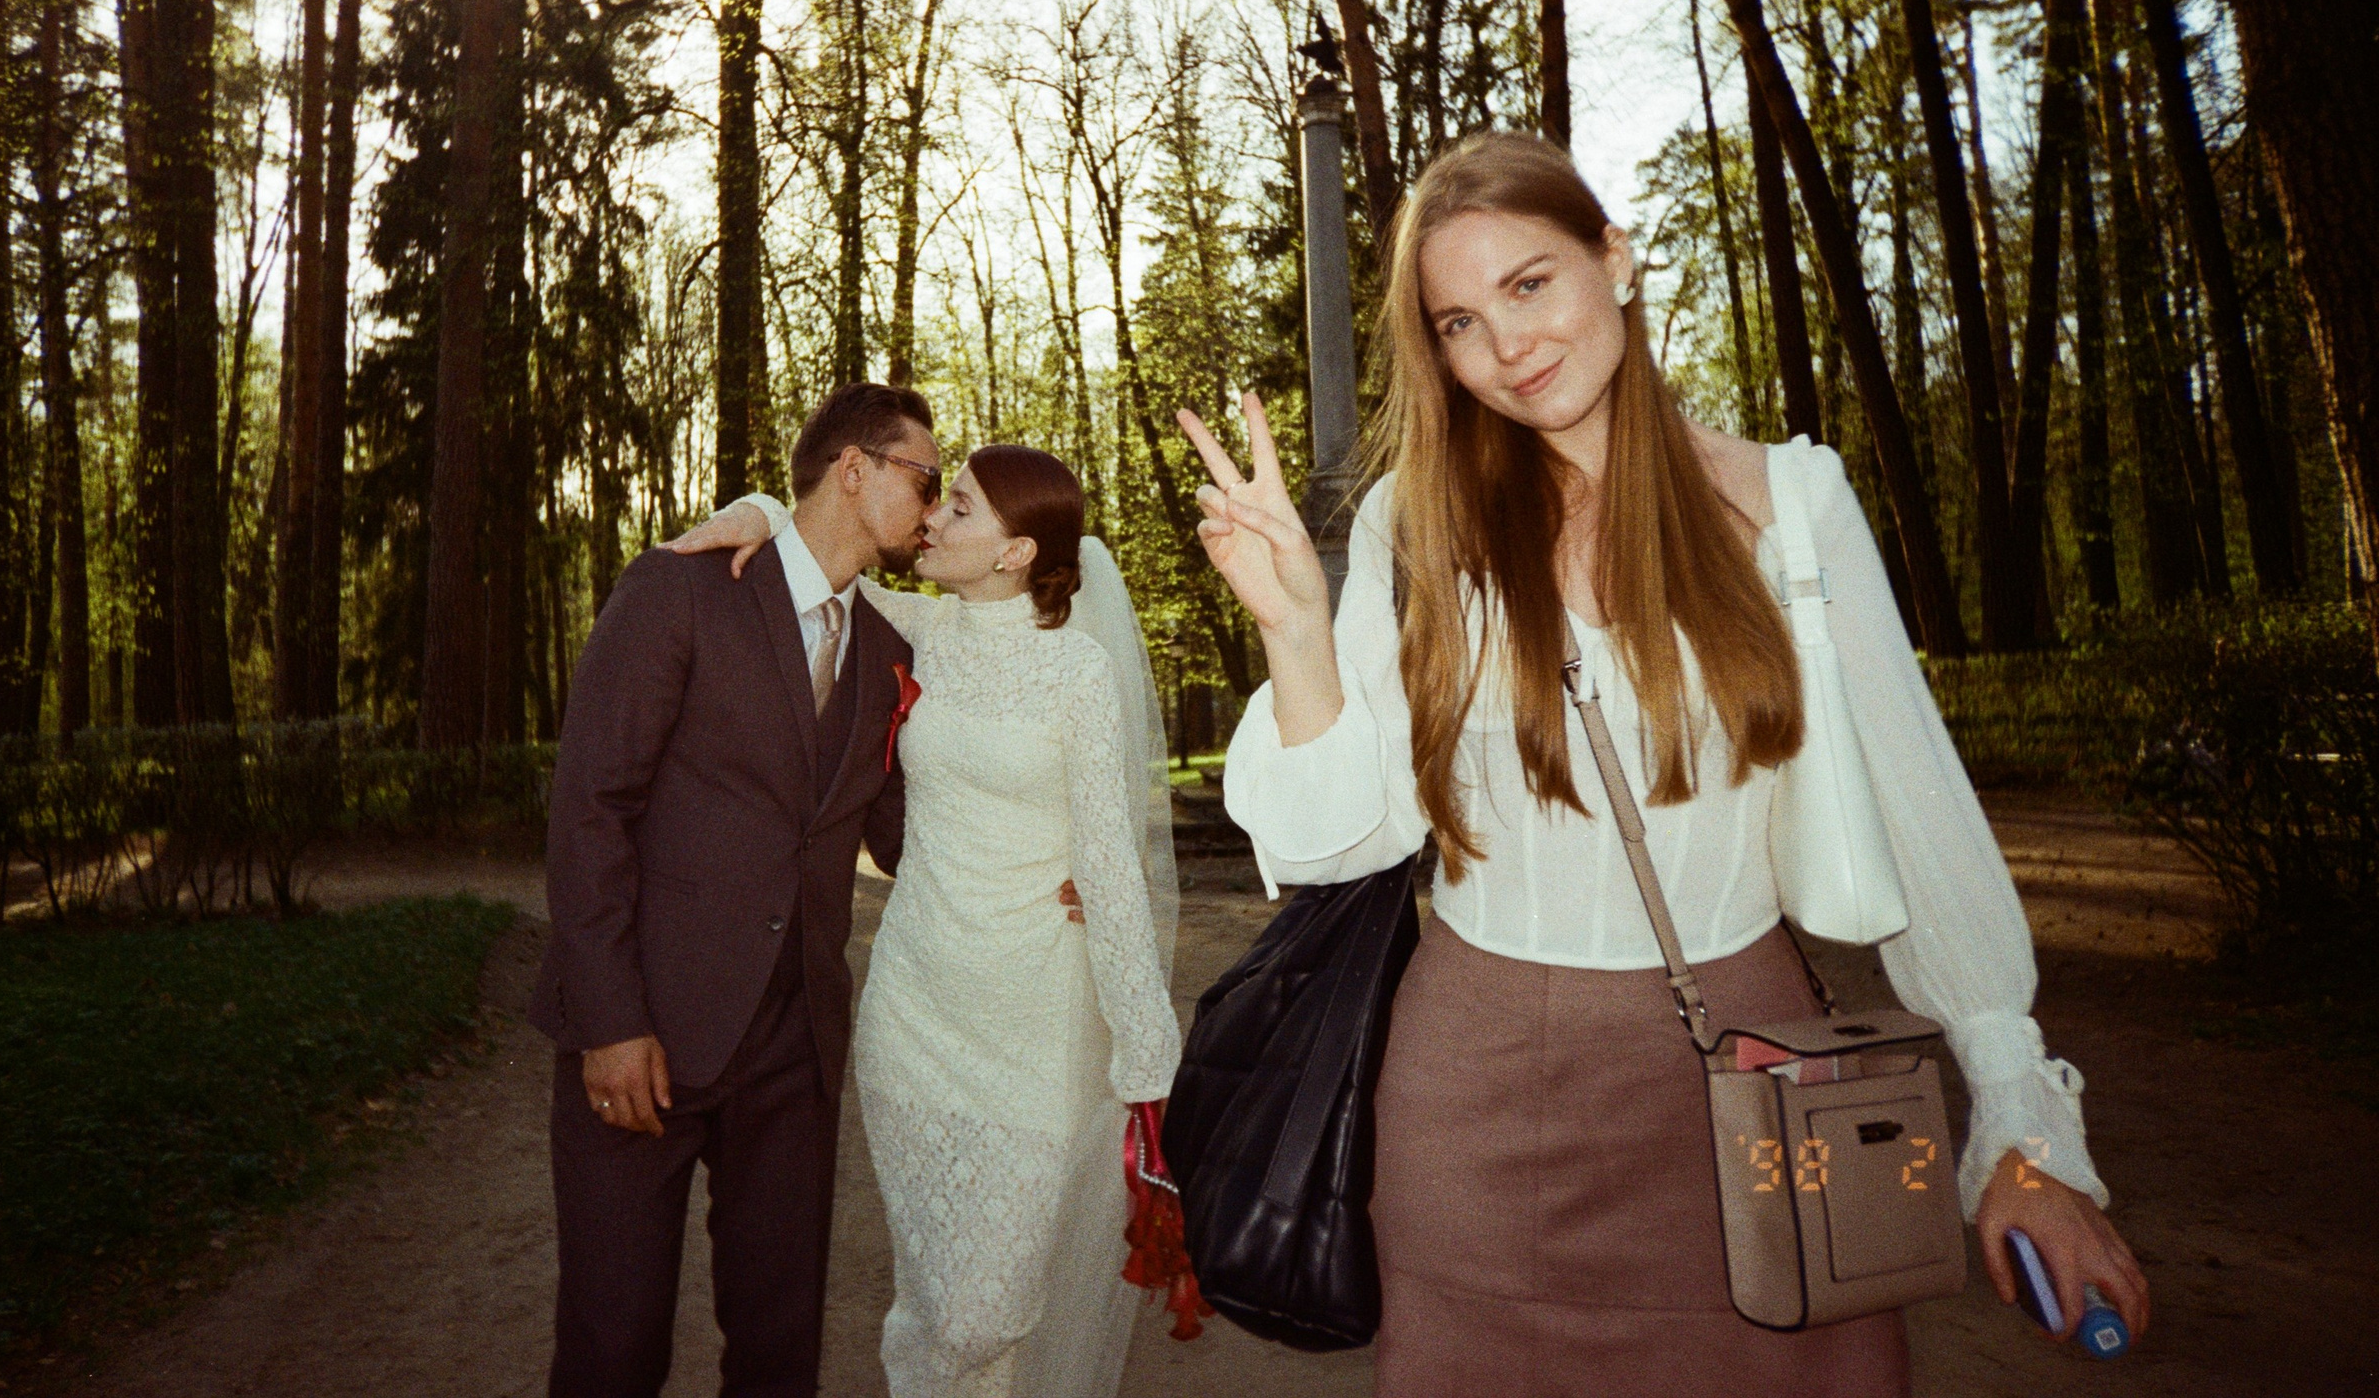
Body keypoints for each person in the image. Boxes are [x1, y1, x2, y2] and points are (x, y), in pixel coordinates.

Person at [1175, 132, 2151, 1396]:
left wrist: (2019, 1122)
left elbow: (1920, 811)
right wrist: (1297, 630)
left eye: (1530, 283)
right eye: (1460, 322)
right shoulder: (1415, 520)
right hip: (1474, 1105)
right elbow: (1338, 840)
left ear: (1615, 259)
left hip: (1750, 1075)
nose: (1507, 344)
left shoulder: (1789, 500)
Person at [674, 444, 1183, 1398]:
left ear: (1015, 552)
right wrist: (759, 506)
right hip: (914, 1015)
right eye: (940, 500)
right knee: (936, 1295)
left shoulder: (1078, 674)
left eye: (960, 508)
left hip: (1031, 1027)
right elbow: (819, 556)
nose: (932, 520)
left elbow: (1111, 868)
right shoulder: (921, 627)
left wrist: (1149, 1059)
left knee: (988, 1310)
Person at [529, 381, 939, 1398]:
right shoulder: (679, 590)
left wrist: (1042, 866)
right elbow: (589, 809)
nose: (934, 506)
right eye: (925, 480)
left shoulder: (891, 648)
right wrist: (609, 1022)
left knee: (778, 1357)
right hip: (646, 1036)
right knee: (615, 1350)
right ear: (855, 469)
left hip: (793, 1053)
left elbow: (905, 836)